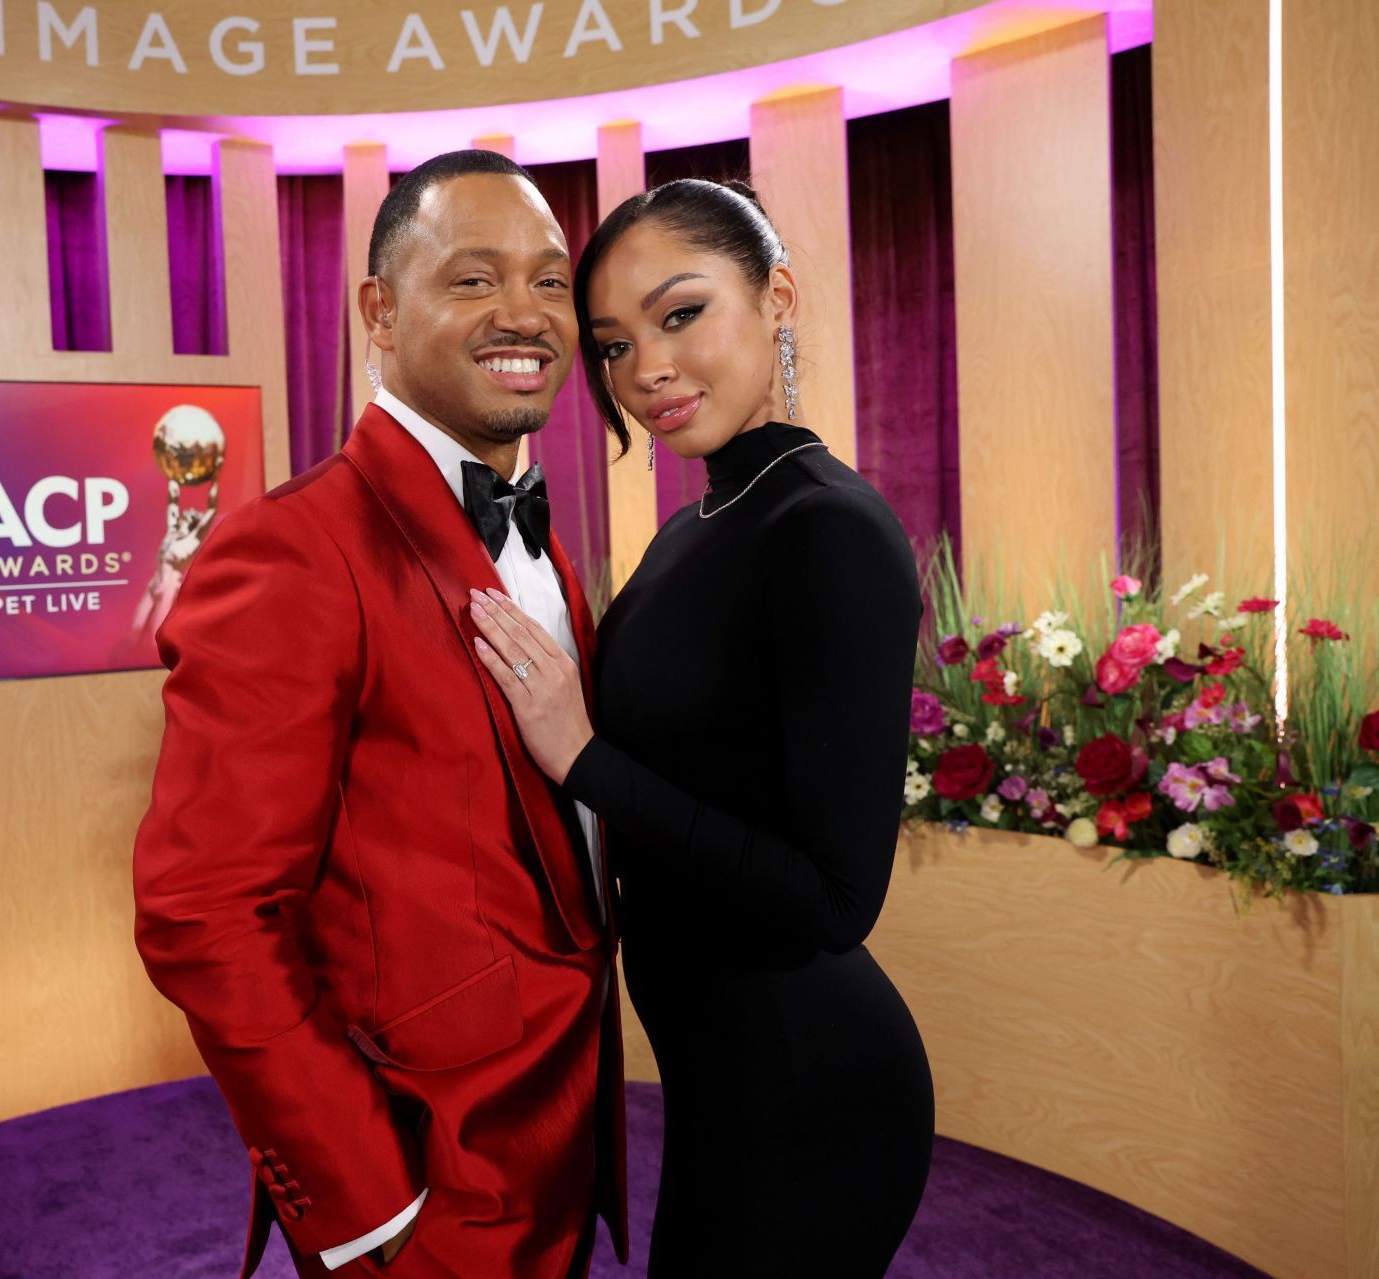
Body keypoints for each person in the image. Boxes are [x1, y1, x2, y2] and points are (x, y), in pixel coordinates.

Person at [133, 149, 628, 1279]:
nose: (525, 312)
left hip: (555, 1130)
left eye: (551, 281)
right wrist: (370, 1208)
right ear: (379, 312)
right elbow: (200, 911)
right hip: (423, 1180)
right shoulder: (292, 547)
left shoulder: (540, 544)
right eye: (472, 279)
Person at [465, 177, 935, 1276]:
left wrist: (583, 758)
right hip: (720, 1078)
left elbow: (834, 899)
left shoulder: (830, 530)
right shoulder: (697, 522)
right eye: (614, 346)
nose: (649, 372)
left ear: (778, 296)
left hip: (809, 1091)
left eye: (681, 315)